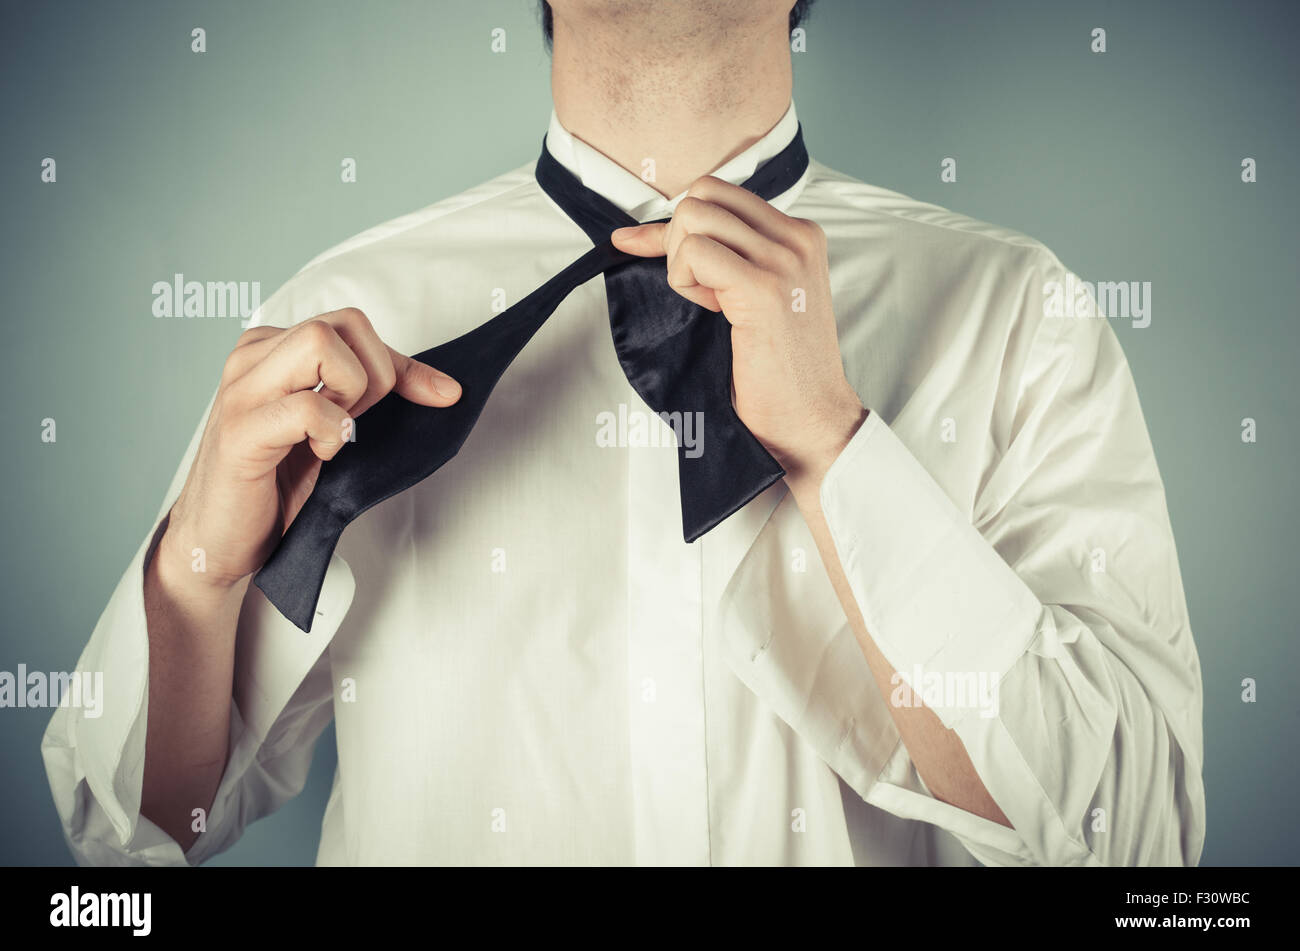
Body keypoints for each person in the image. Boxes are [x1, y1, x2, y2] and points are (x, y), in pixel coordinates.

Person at [43, 0, 1204, 865]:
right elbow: (130, 837)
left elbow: (1131, 848)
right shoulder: (346, 318)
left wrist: (838, 449)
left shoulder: (1010, 313)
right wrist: (198, 573)